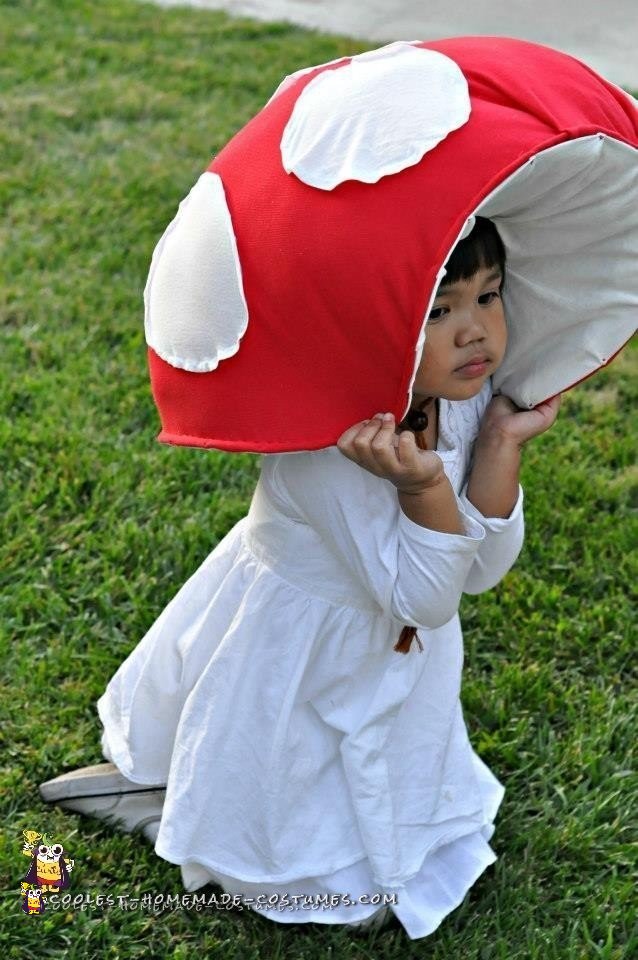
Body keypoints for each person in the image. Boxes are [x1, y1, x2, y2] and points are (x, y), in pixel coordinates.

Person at [40, 217, 561, 939]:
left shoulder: (464, 394)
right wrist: (424, 491)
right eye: (438, 311)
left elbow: (480, 574)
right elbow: (425, 599)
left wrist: (500, 447)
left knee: (366, 776)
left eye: (488, 296)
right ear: (360, 322)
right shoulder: (325, 440)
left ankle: (206, 796)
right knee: (278, 774)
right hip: (301, 638)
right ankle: (174, 800)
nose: (475, 332)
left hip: (388, 641)